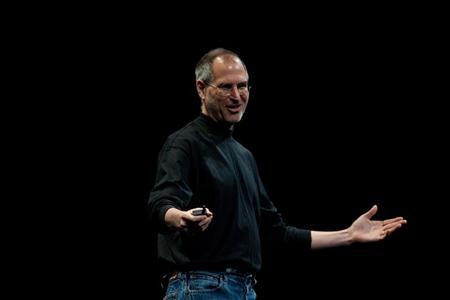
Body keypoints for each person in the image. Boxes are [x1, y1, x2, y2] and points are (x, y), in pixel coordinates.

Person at [147, 48, 407, 300]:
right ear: (201, 89)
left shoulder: (244, 156)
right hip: (202, 286)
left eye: (244, 86)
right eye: (226, 87)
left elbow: (276, 233)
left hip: (243, 289)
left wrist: (349, 235)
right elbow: (161, 204)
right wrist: (180, 218)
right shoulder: (184, 143)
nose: (237, 96)